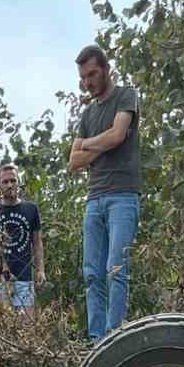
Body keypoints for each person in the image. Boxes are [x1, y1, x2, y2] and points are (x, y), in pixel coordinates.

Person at [68, 44, 141, 340]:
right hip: (94, 199)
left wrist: (88, 145)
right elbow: (73, 161)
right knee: (91, 273)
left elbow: (118, 135)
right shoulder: (86, 115)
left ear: (106, 69)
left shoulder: (126, 95)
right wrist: (100, 144)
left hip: (123, 195)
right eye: (83, 77)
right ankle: (96, 339)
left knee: (116, 268)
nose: (88, 82)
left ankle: (114, 336)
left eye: (92, 74)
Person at [0, 163, 45, 313]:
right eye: (5, 182)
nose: (10, 185)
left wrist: (41, 270)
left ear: (18, 182)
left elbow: (37, 242)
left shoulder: (30, 209)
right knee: (0, 328)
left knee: (26, 329)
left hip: (24, 277)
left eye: (13, 181)